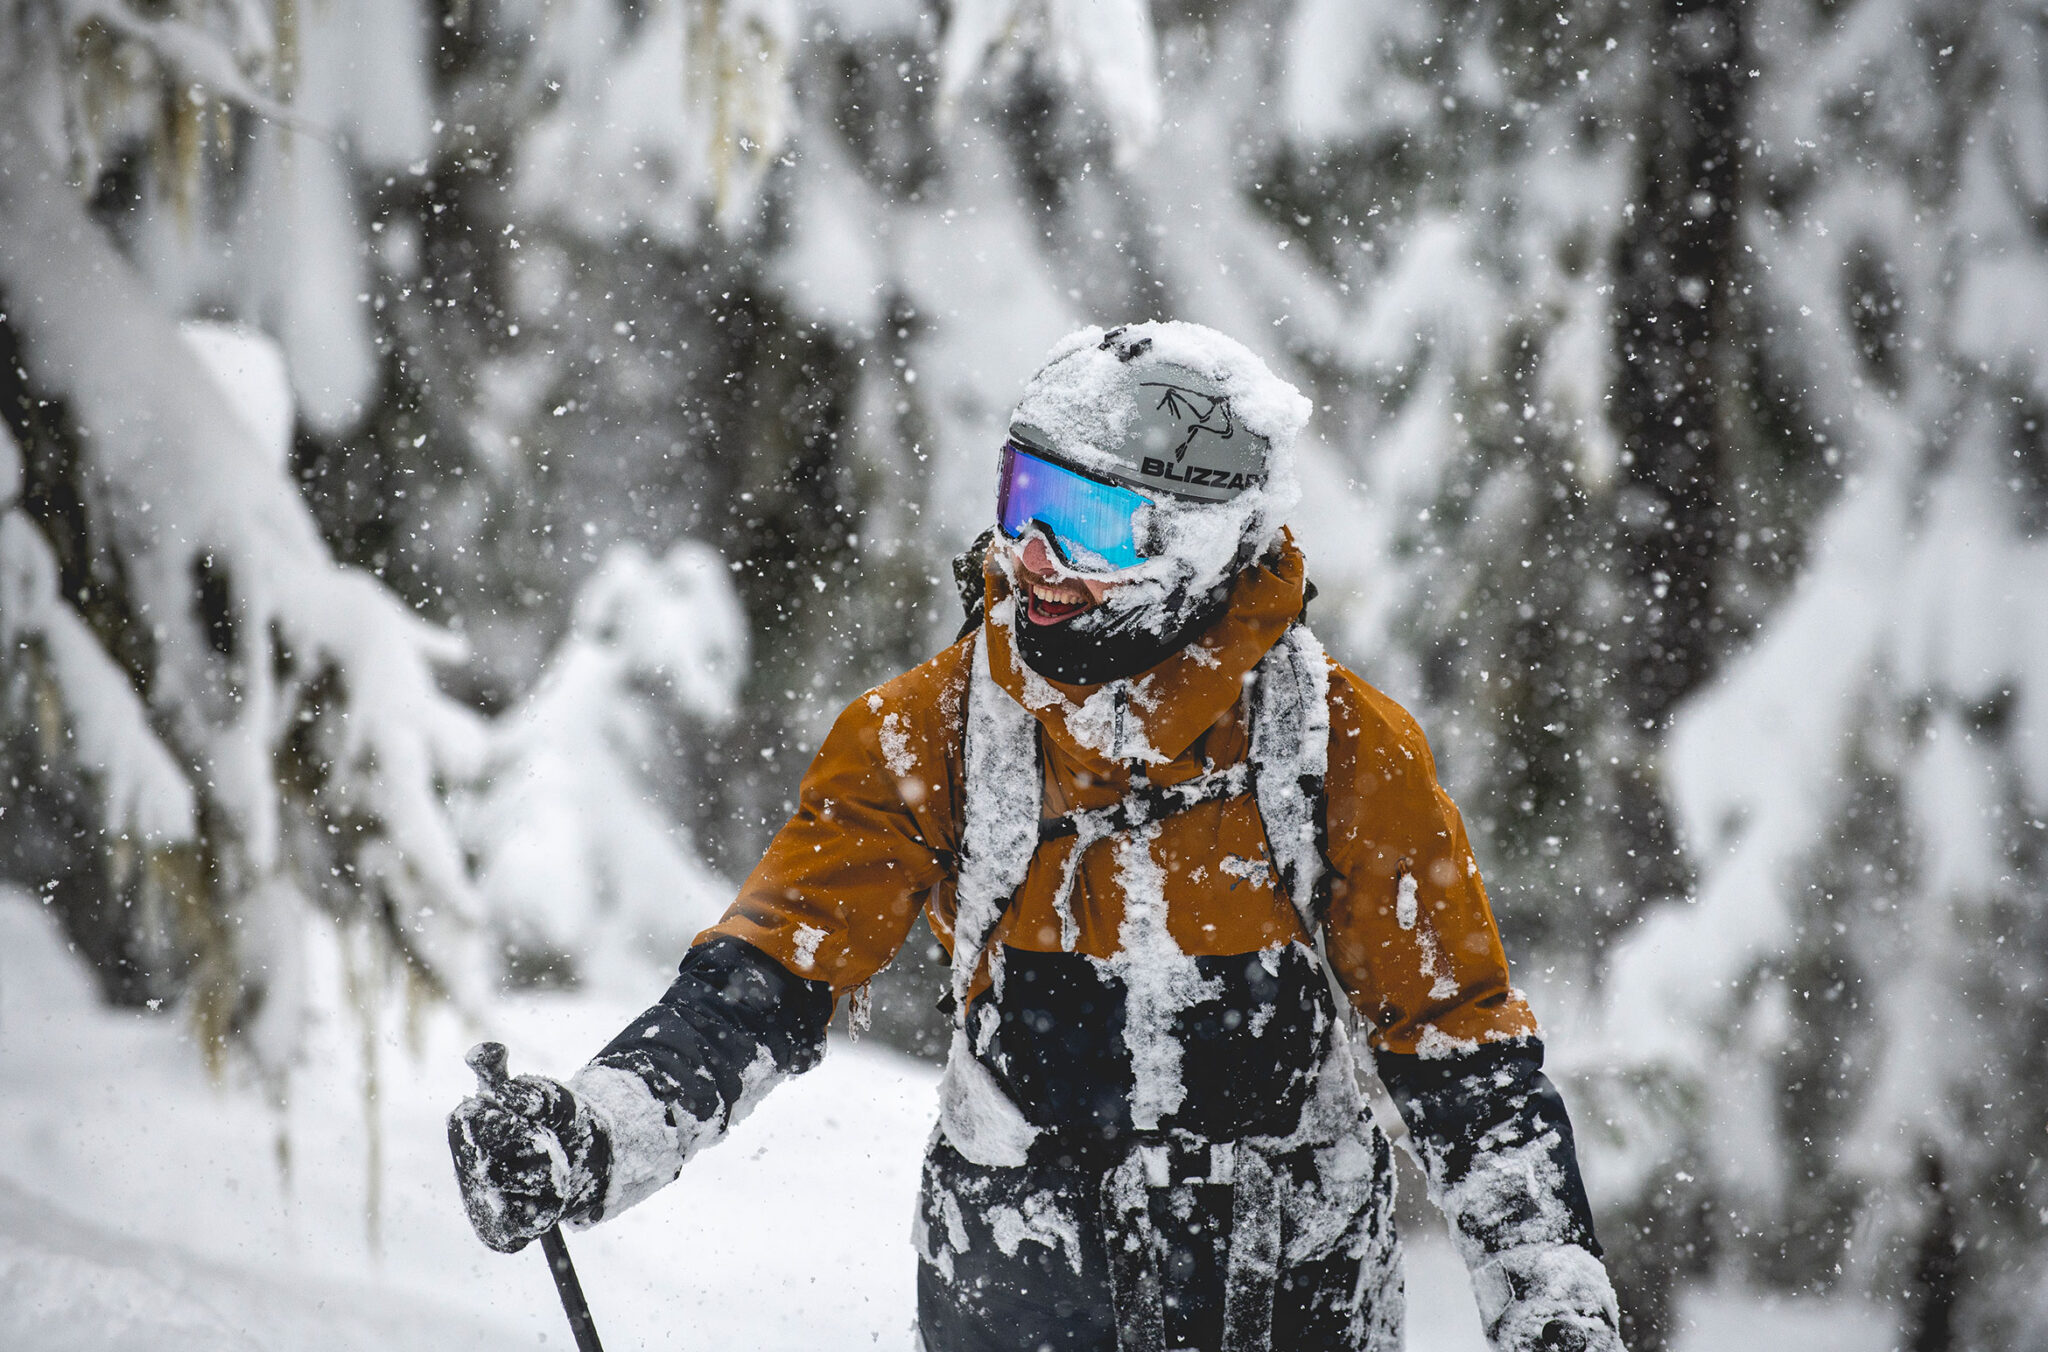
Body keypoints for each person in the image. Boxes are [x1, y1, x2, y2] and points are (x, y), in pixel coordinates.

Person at [449, 322, 1625, 1352]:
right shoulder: (929, 733)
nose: (1036, 562)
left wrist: (1550, 1305)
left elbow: (1460, 1059)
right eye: (1024, 502)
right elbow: (764, 980)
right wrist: (594, 1132)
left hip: (1289, 1291)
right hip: (1019, 1284)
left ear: (1199, 540)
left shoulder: (1337, 750)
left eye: (1088, 523)